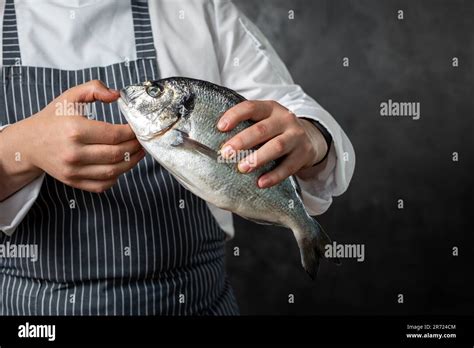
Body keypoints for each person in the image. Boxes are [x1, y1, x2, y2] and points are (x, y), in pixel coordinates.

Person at [0, 0, 355, 315]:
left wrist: (310, 136)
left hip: (195, 302)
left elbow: (292, 108)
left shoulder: (198, 9)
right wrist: (19, 150)